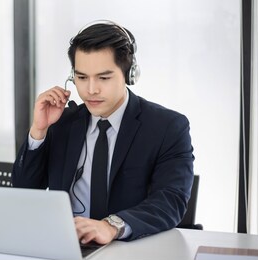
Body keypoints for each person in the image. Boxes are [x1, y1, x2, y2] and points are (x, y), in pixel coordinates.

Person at [12, 20, 194, 244]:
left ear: (129, 75)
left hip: (130, 249)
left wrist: (111, 226)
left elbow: (171, 201)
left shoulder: (167, 127)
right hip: (66, 247)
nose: (90, 90)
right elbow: (24, 193)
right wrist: (39, 130)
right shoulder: (62, 122)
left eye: (104, 78)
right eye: (81, 77)